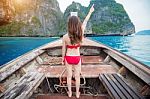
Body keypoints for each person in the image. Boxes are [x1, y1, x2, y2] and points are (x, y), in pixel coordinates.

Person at [62, 4, 94, 98]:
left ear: (69, 24)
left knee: (68, 76)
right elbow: (86, 21)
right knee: (77, 76)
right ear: (78, 24)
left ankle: (70, 93)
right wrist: (90, 11)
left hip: (68, 57)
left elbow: (63, 49)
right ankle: (77, 94)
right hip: (77, 57)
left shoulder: (65, 37)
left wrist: (62, 59)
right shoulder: (81, 32)